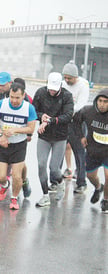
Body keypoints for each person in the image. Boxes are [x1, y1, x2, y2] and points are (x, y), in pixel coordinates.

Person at [0, 73, 32, 200]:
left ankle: (24, 180)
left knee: (19, 166)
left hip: (19, 139)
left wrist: (27, 134)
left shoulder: (26, 101)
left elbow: (31, 121)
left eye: (2, 85)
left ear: (9, 84)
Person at [0, 82, 37, 210]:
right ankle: (5, 186)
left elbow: (31, 128)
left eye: (17, 97)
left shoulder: (29, 108)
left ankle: (14, 198)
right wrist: (1, 135)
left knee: (17, 175)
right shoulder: (2, 104)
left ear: (23, 96)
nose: (14, 100)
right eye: (12, 97)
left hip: (19, 145)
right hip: (3, 143)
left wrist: (15, 130)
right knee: (0, 177)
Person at [32, 72, 74, 207]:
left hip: (60, 137)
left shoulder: (67, 96)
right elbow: (33, 110)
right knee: (41, 164)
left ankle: (60, 183)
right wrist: (41, 116)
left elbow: (68, 115)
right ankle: (45, 195)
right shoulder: (40, 93)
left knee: (54, 168)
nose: (51, 91)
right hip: (44, 135)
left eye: (54, 89)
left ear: (60, 86)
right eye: (50, 88)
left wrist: (50, 120)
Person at [73, 89, 108, 212]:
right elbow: (76, 121)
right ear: (96, 101)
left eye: (105, 102)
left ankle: (105, 200)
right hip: (93, 150)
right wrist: (81, 136)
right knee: (90, 176)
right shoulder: (88, 111)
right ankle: (98, 187)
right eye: (100, 101)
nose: (102, 104)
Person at [61, 61, 89, 194]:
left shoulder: (83, 85)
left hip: (77, 121)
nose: (67, 80)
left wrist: (67, 112)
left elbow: (80, 105)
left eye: (69, 78)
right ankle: (56, 180)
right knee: (59, 149)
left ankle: (81, 182)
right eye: (65, 77)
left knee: (79, 153)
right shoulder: (63, 83)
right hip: (63, 120)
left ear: (75, 77)